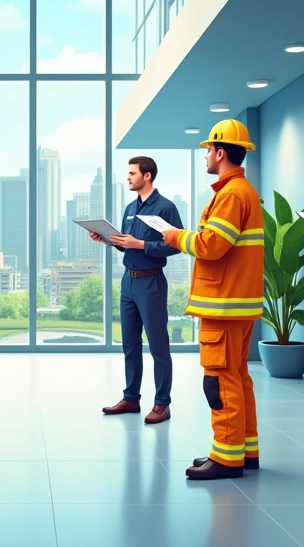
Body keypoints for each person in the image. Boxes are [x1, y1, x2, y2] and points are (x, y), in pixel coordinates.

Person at [162, 118, 265, 481]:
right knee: (237, 377)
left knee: (219, 381)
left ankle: (226, 457)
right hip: (236, 302)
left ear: (220, 152)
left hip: (224, 303)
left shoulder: (232, 194)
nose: (205, 155)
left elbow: (212, 245)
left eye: (208, 149)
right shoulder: (240, 191)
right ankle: (243, 450)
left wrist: (176, 236)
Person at [92, 156, 183, 424]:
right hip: (128, 283)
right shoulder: (131, 208)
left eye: (132, 173)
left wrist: (141, 245)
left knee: (158, 347)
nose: (128, 177)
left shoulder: (165, 207)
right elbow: (126, 244)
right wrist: (108, 240)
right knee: (130, 345)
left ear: (147, 176)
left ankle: (162, 404)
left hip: (151, 282)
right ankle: (131, 398)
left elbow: (176, 245)